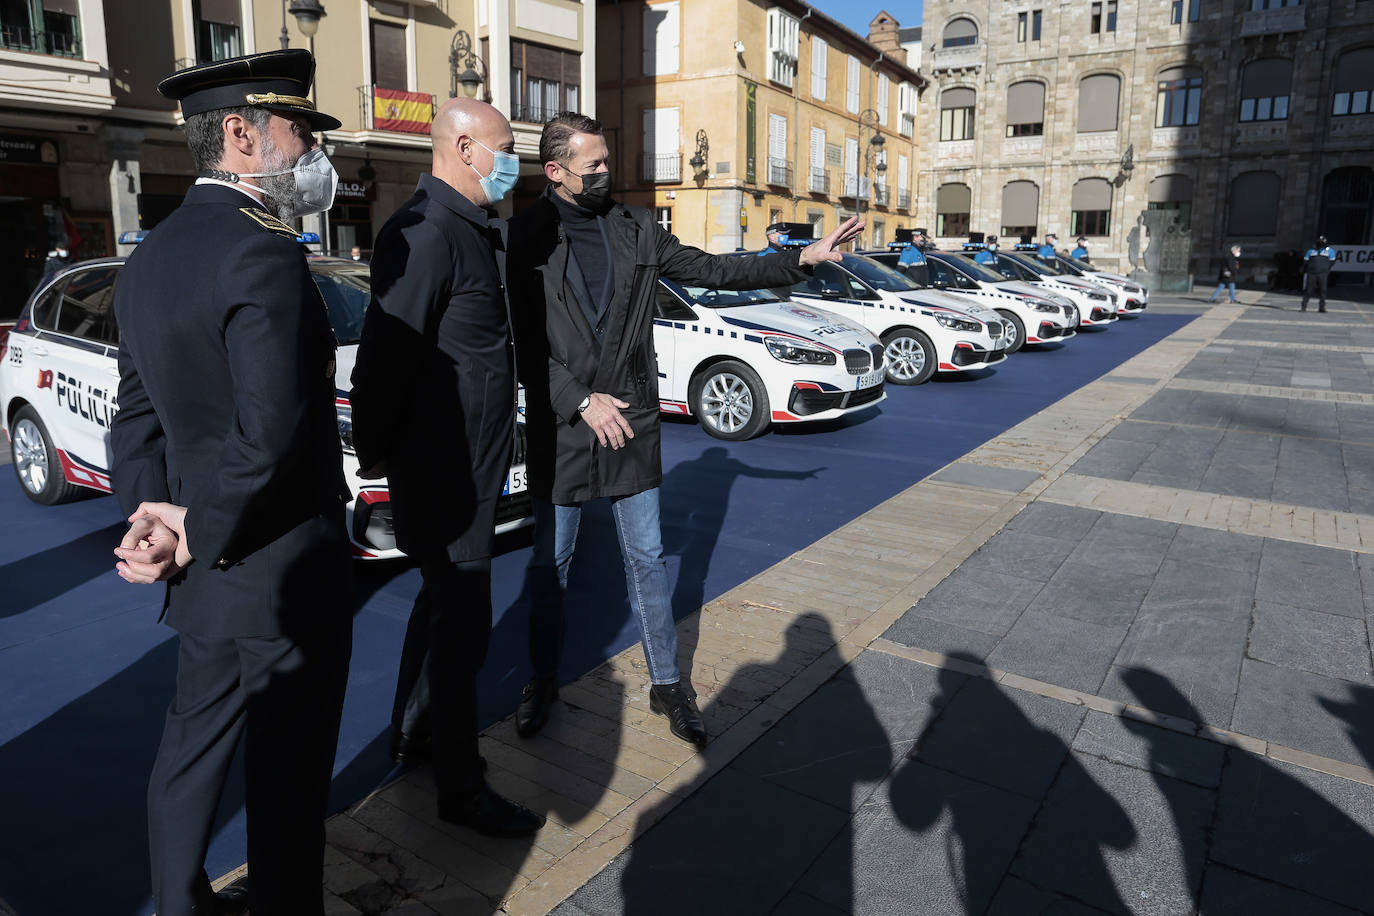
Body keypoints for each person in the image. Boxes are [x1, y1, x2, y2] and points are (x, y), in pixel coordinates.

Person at [508, 112, 863, 747]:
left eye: (608, 163)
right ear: (557, 172)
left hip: (633, 421)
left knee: (646, 558)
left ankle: (668, 683)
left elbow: (716, 269)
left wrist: (801, 257)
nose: (607, 174)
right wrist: (579, 399)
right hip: (563, 427)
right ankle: (542, 680)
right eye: (594, 167)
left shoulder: (637, 228)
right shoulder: (521, 237)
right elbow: (518, 340)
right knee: (549, 564)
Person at [107, 49, 354, 916]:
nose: (317, 154)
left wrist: (154, 519)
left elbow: (134, 415)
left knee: (190, 751)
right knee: (287, 780)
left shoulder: (152, 252)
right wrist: (194, 523)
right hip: (280, 568)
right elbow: (271, 434)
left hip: (204, 573)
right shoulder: (265, 252)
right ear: (243, 135)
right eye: (300, 132)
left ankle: (179, 904)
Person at [348, 98, 543, 838]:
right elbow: (383, 362)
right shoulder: (428, 234)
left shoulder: (470, 229)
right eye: (505, 147)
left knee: (442, 615)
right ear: (464, 148)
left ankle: (418, 734)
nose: (512, 160)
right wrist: (390, 463)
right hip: (445, 475)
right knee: (464, 631)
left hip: (470, 471)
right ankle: (460, 788)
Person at [1302, 234, 1336, 313]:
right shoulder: (1311, 250)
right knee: (1308, 290)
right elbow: (1306, 261)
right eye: (1319, 241)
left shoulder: (1330, 251)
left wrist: (1326, 269)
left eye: (1322, 241)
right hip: (1312, 273)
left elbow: (1332, 262)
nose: (1321, 243)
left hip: (1323, 274)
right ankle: (1303, 306)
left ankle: (1322, 308)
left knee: (1323, 290)